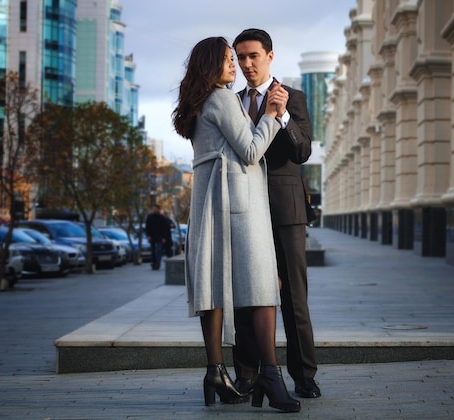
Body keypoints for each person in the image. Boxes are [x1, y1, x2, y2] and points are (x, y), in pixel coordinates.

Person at [171, 36, 300, 413]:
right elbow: (250, 151)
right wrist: (273, 116)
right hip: (240, 205)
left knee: (214, 288)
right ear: (212, 64)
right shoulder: (223, 97)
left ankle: (216, 371)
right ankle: (271, 377)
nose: (235, 65)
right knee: (263, 289)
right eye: (229, 59)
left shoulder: (197, 103)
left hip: (212, 203)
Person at [232, 28, 321, 400]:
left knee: (294, 297)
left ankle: (304, 376)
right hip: (245, 209)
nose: (247, 64)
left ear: (270, 55)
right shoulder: (231, 102)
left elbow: (302, 152)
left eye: (253, 56)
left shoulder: (293, 97)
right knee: (246, 295)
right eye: (240, 58)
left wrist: (282, 115)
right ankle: (248, 374)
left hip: (286, 210)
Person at [144, 204, 168, 270]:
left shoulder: (161, 218)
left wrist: (164, 237)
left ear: (158, 209)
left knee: (159, 250)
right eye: (153, 208)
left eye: (155, 208)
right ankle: (154, 263)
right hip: (152, 237)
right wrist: (148, 235)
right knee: (153, 251)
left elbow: (164, 228)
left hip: (160, 237)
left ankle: (158, 263)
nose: (154, 210)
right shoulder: (150, 217)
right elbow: (147, 227)